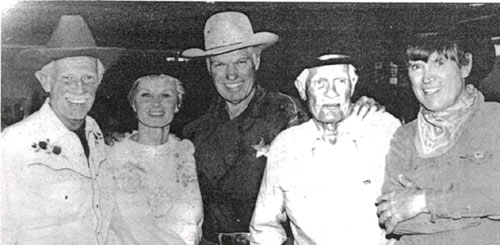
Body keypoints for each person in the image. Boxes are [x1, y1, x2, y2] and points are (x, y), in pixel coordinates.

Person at [182, 11, 381, 244]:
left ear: (256, 60)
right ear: (209, 67)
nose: (231, 74)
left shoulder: (286, 112)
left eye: (241, 62)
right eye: (220, 64)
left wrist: (361, 112)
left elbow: (334, 145)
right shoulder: (195, 130)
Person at [249, 54, 401, 244]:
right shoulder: (286, 145)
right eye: (320, 83)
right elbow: (265, 228)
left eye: (340, 81)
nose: (331, 92)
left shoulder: (384, 129)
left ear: (352, 86)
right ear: (302, 90)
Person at [0, 15, 123, 244]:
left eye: (88, 77)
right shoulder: (13, 142)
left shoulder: (95, 133)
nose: (80, 88)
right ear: (46, 81)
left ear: (99, 80)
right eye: (67, 78)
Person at [376, 32, 500, 244]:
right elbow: (394, 221)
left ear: (465, 66)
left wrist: (422, 201)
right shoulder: (405, 136)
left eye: (439, 63)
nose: (426, 78)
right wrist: (478, 208)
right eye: (417, 67)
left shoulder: (494, 120)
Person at [106, 74, 203, 245]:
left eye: (166, 95)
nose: (156, 103)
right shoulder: (111, 155)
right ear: (133, 104)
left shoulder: (187, 153)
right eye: (146, 95)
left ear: (177, 105)